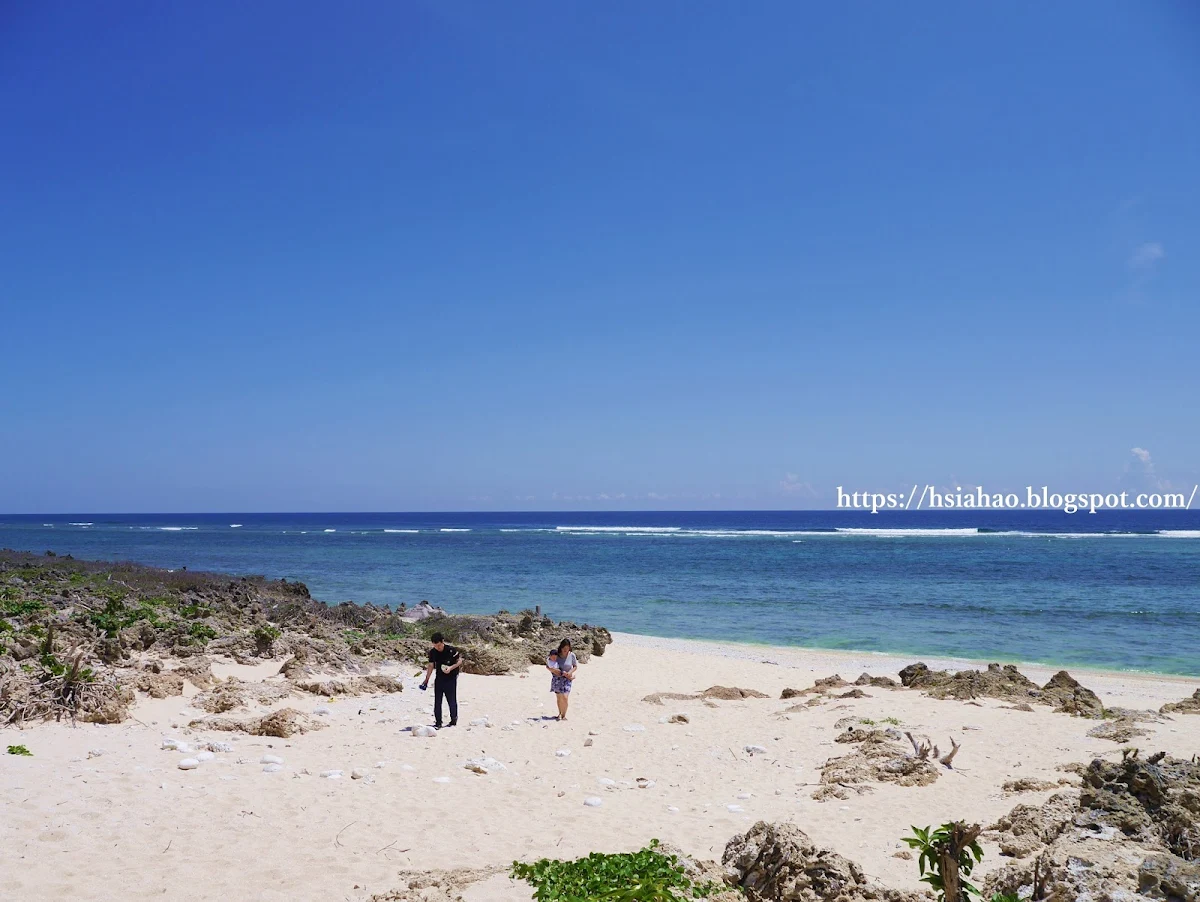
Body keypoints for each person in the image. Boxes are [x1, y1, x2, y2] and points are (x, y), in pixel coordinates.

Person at [419, 632, 463, 728]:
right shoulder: (433, 652)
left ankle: (453, 720)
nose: (437, 648)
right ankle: (438, 722)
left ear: (442, 641)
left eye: (439, 645)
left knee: (451, 700)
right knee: (437, 701)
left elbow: (459, 661)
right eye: (435, 646)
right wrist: (426, 680)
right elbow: (431, 665)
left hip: (451, 678)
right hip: (439, 678)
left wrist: (451, 668)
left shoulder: (451, 650)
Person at [549, 639, 577, 721]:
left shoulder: (572, 655)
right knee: (559, 698)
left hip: (567, 679)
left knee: (565, 697)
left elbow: (575, 666)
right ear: (561, 647)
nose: (565, 650)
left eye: (567, 648)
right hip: (557, 679)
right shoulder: (556, 655)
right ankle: (560, 713)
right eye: (564, 648)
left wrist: (570, 672)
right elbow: (550, 664)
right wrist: (554, 671)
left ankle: (564, 715)